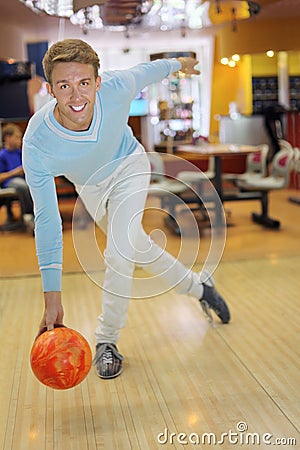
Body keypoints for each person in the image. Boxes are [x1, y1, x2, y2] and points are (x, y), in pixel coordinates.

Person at [23, 39, 230, 380]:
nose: (76, 97)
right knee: (138, 248)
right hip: (90, 186)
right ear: (49, 89)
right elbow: (47, 220)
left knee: (120, 252)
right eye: (64, 86)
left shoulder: (117, 87)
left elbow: (146, 71)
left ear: (98, 82)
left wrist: (180, 63)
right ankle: (200, 288)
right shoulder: (37, 142)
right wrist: (52, 299)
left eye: (84, 83)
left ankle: (106, 341)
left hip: (129, 166)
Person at [0, 123, 34, 229]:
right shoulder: (2, 155)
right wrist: (16, 172)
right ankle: (28, 216)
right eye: (17, 137)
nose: (20, 140)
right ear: (8, 138)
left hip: (25, 180)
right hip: (9, 182)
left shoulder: (21, 153)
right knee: (22, 185)